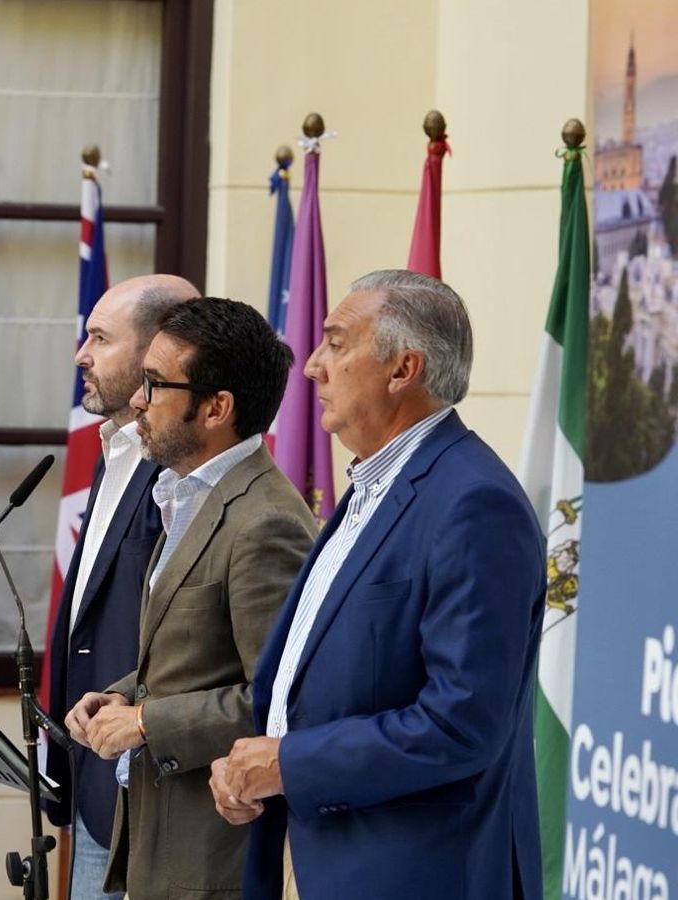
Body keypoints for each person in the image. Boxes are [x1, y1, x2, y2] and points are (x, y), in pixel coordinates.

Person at [210, 270, 546, 900]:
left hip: (418, 871)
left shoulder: (473, 502)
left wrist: (287, 764)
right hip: (317, 850)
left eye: (336, 343)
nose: (311, 366)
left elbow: (459, 723)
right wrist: (253, 765)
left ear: (403, 369)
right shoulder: (374, 484)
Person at [65, 297, 316, 900]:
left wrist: (147, 721)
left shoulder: (266, 523)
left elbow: (279, 704)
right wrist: (120, 696)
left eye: (155, 384)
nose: (138, 401)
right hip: (156, 840)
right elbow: (194, 657)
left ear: (216, 407)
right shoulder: (184, 493)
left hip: (212, 859)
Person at [45, 274, 199, 899]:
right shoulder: (113, 451)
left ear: (155, 353)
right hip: (91, 779)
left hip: (146, 794)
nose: (82, 354)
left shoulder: (179, 473)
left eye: (101, 339)